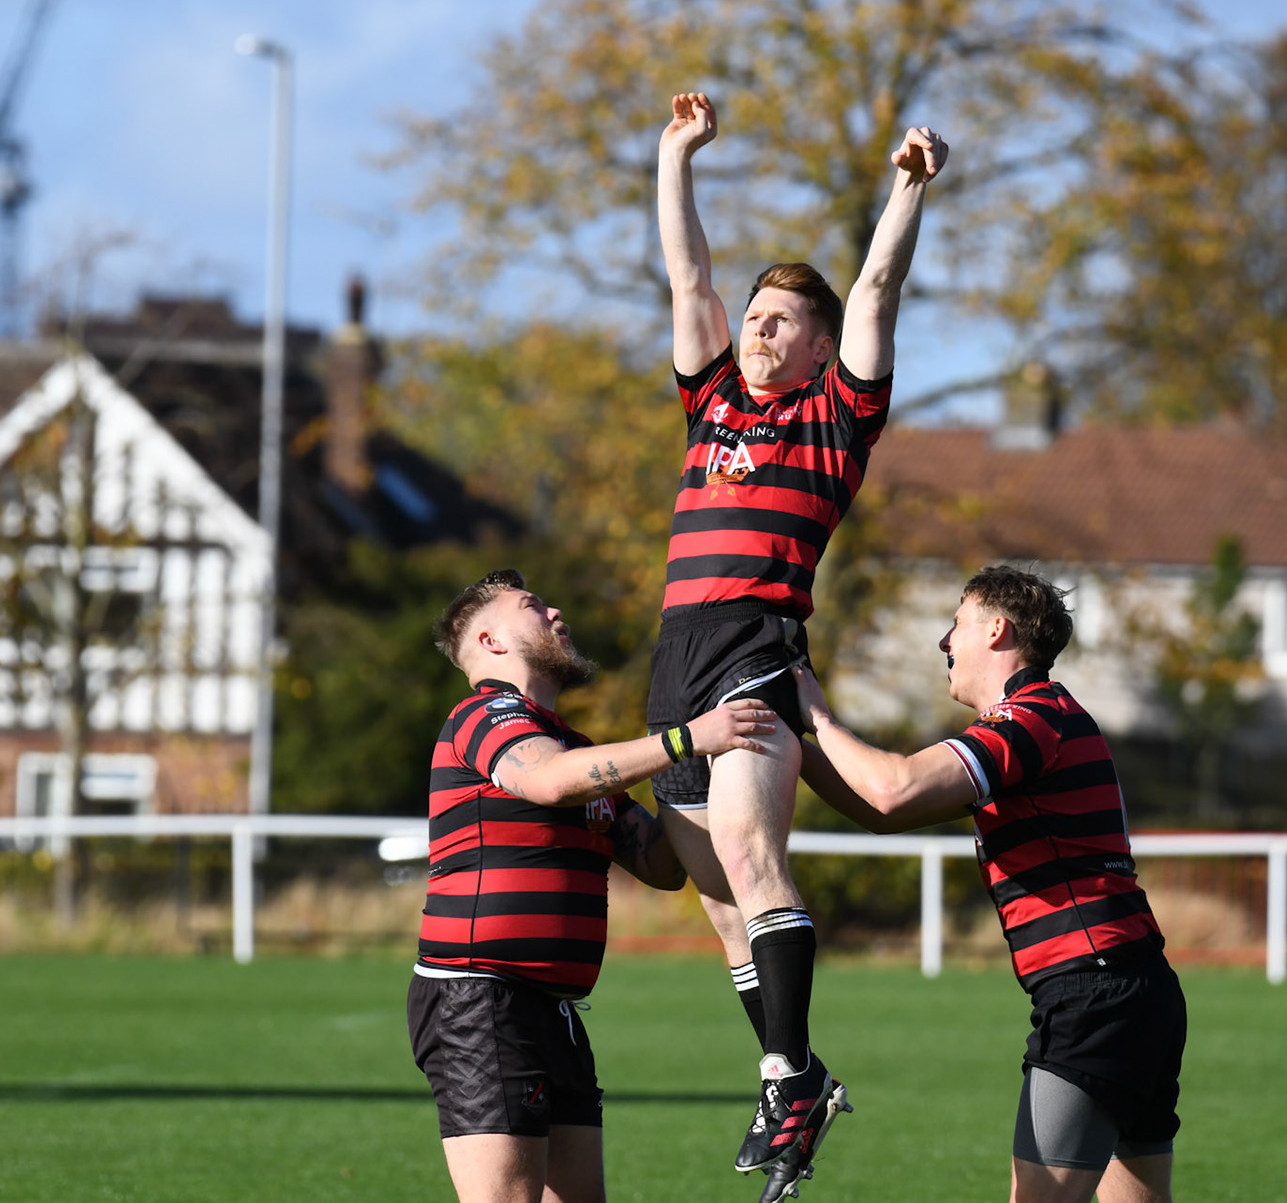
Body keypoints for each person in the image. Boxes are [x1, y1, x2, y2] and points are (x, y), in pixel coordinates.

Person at [651, 89, 947, 1193]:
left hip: (754, 645)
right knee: (720, 898)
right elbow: (688, 276)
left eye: (781, 318)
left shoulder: (836, 416)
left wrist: (907, 186)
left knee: (749, 853)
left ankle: (785, 1073)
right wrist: (676, 154)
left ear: (820, 345)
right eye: (758, 314)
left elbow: (878, 286)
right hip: (676, 653)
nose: (760, 327)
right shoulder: (713, 399)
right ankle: (800, 1073)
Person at [791, 565, 1187, 1203]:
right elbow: (882, 813)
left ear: (996, 629)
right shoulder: (1047, 717)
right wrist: (793, 743)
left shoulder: (1030, 719)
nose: (944, 642)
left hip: (1094, 994)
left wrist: (821, 720)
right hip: (1137, 990)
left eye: (956, 624)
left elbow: (895, 790)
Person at [409, 568, 778, 1203]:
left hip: (551, 1008)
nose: (556, 612)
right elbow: (549, 782)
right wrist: (686, 737)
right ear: (492, 641)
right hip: (481, 997)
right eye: (533, 606)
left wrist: (728, 771)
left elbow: (663, 865)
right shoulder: (484, 715)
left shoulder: (571, 745)